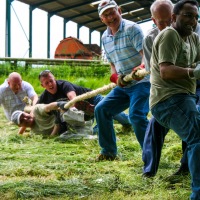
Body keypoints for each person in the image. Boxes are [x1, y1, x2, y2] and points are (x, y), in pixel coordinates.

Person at [142, 0, 200, 178]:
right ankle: (149, 170)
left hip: (189, 90)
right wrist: (193, 71)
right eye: (188, 16)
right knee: (194, 132)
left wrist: (194, 71)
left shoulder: (193, 36)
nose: (193, 20)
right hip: (168, 96)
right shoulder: (164, 35)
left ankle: (186, 168)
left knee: (193, 125)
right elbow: (163, 71)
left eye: (196, 17)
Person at [95, 0, 150, 161]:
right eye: (106, 15)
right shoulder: (105, 37)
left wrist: (140, 69)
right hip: (124, 86)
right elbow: (113, 64)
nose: (110, 17)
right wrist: (115, 78)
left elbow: (146, 56)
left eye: (112, 12)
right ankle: (109, 152)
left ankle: (150, 154)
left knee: (136, 116)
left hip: (142, 82)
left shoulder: (132, 29)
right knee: (101, 109)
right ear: (102, 19)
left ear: (119, 10)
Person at [37, 69, 131, 134]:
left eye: (51, 81)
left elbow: (73, 100)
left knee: (112, 112)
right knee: (94, 132)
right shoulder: (44, 96)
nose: (50, 84)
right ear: (42, 85)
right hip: (85, 114)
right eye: (46, 83)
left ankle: (130, 123)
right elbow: (35, 108)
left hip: (94, 100)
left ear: (55, 79)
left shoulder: (64, 85)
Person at [11, 101, 93, 137]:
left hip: (73, 117)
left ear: (26, 112)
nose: (26, 118)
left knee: (65, 115)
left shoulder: (37, 111)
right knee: (64, 138)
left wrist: (59, 104)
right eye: (22, 120)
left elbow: (49, 107)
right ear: (20, 125)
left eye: (24, 115)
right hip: (72, 129)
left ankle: (87, 114)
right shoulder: (35, 133)